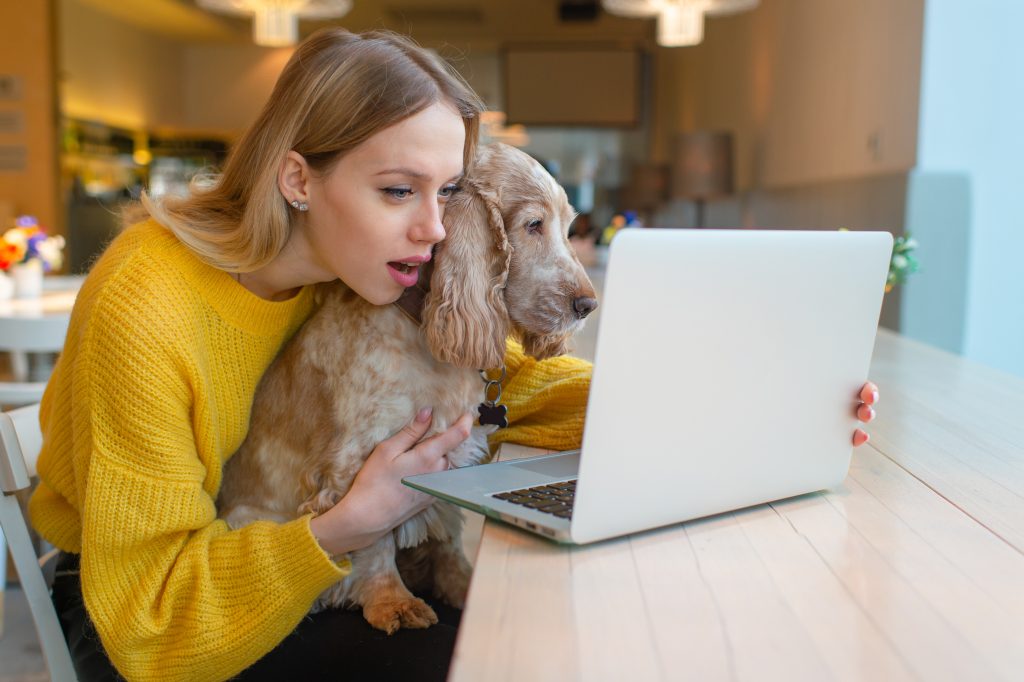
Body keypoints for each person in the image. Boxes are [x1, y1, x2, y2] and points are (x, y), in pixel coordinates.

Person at [28, 27, 878, 682]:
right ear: (297, 179)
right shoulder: (150, 305)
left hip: (284, 558)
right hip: (150, 615)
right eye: (398, 191)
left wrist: (743, 406)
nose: (433, 229)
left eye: (444, 193)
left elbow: (516, 388)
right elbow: (150, 623)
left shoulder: (356, 271)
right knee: (502, 657)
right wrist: (348, 524)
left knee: (549, 621)